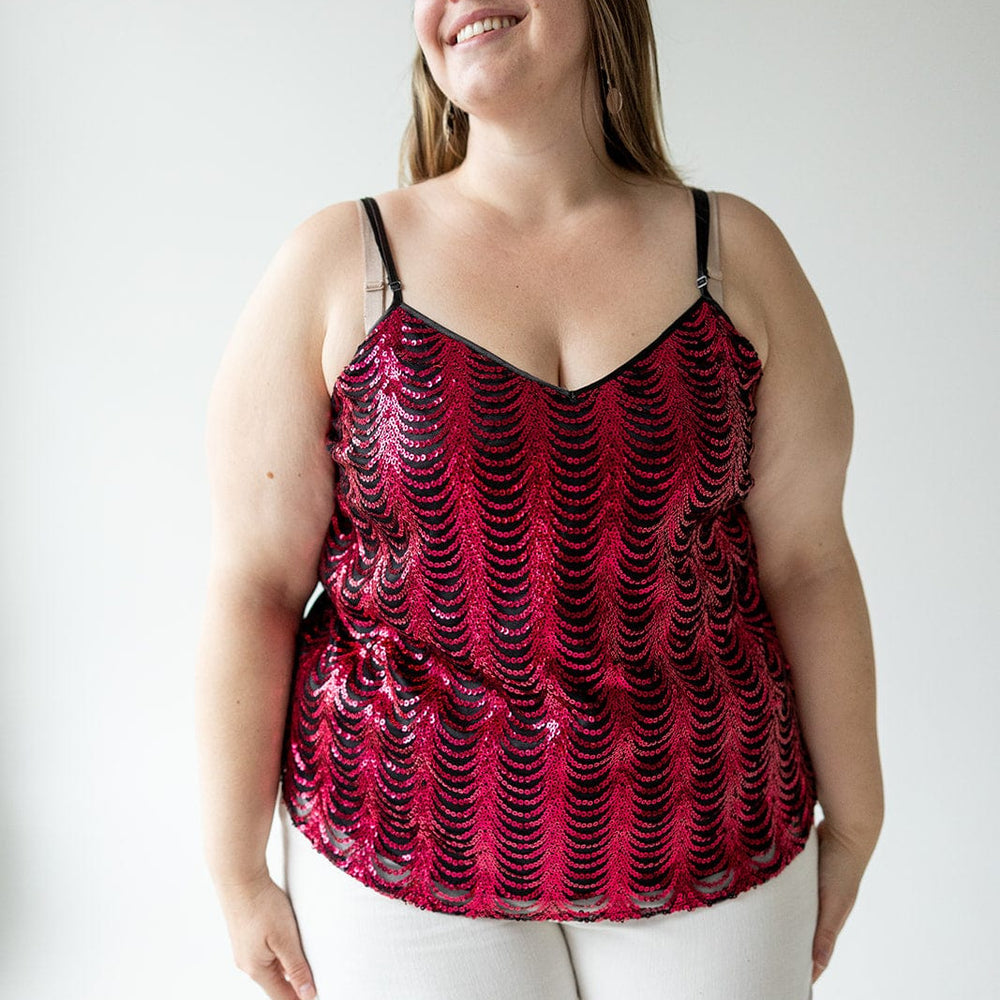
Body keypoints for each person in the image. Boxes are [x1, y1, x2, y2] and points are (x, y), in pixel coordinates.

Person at [195, 2, 885, 999]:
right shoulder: (337, 265)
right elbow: (252, 582)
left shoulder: (735, 255)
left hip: (710, 829)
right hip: (400, 841)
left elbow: (807, 558)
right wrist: (235, 871)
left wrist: (859, 815)